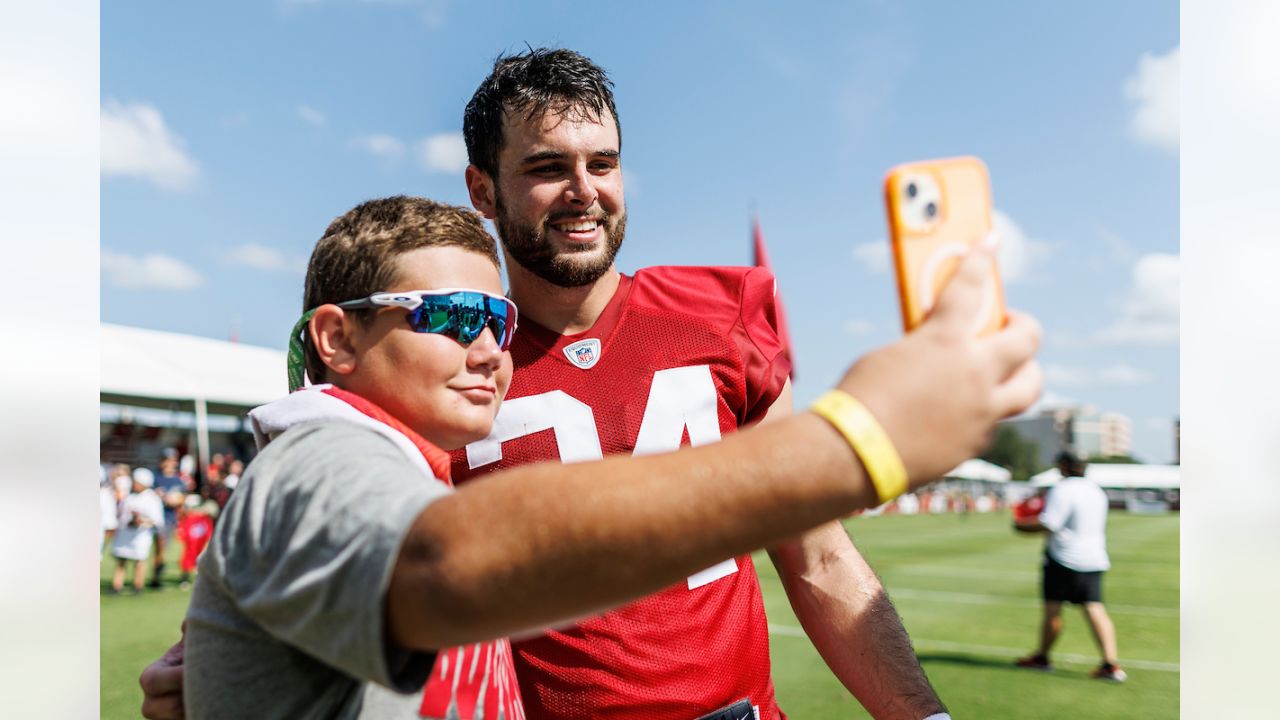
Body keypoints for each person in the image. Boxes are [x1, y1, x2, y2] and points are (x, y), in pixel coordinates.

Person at [147, 194, 1039, 720]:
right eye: (455, 318)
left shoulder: (394, 466)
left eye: (497, 320)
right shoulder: (318, 455)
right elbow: (446, 564)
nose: (493, 347)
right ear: (337, 338)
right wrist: (857, 439)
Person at [452, 47, 943, 718]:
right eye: (547, 167)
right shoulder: (456, 368)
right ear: (482, 190)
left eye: (603, 163)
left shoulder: (719, 315)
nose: (584, 190)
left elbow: (817, 557)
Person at [1014, 449, 1126, 682]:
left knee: (1053, 609)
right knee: (1095, 608)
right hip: (1094, 557)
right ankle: (1110, 664)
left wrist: (1021, 526)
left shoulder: (1063, 489)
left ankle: (1042, 657)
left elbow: (1049, 524)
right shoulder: (1096, 491)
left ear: (1063, 465)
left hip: (1063, 558)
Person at [112, 467, 165, 595]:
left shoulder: (152, 498)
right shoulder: (130, 496)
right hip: (126, 532)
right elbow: (121, 513)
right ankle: (117, 586)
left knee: (139, 560)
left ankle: (137, 586)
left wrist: (142, 521)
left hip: (141, 534)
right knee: (121, 559)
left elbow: (157, 519)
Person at [151, 456, 188, 588]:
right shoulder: (155, 477)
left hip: (169, 518)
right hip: (154, 517)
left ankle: (157, 576)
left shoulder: (178, 480)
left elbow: (183, 497)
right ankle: (156, 576)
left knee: (163, 549)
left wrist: (177, 501)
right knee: (156, 549)